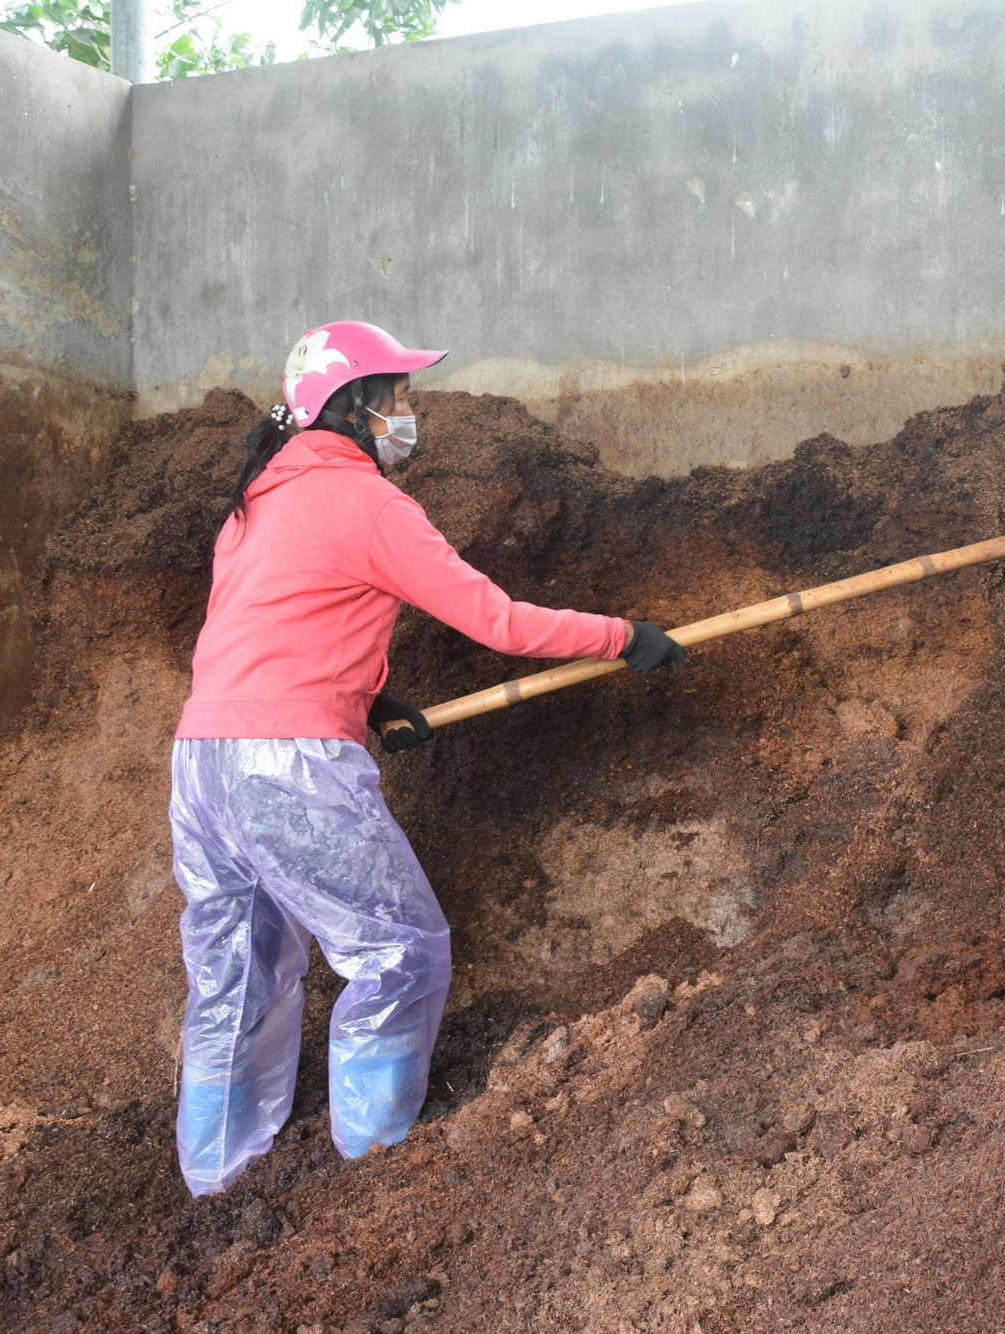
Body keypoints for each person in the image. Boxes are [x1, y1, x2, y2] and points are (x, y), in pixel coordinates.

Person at [167, 320, 685, 1196]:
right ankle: (373, 1175)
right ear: (357, 404)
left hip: (202, 762)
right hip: (288, 766)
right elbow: (500, 621)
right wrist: (622, 636)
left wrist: (363, 702)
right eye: (398, 395)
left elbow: (257, 630)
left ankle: (215, 1176)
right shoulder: (371, 503)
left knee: (237, 966)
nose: (409, 412)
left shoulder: (252, 502)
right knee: (399, 949)